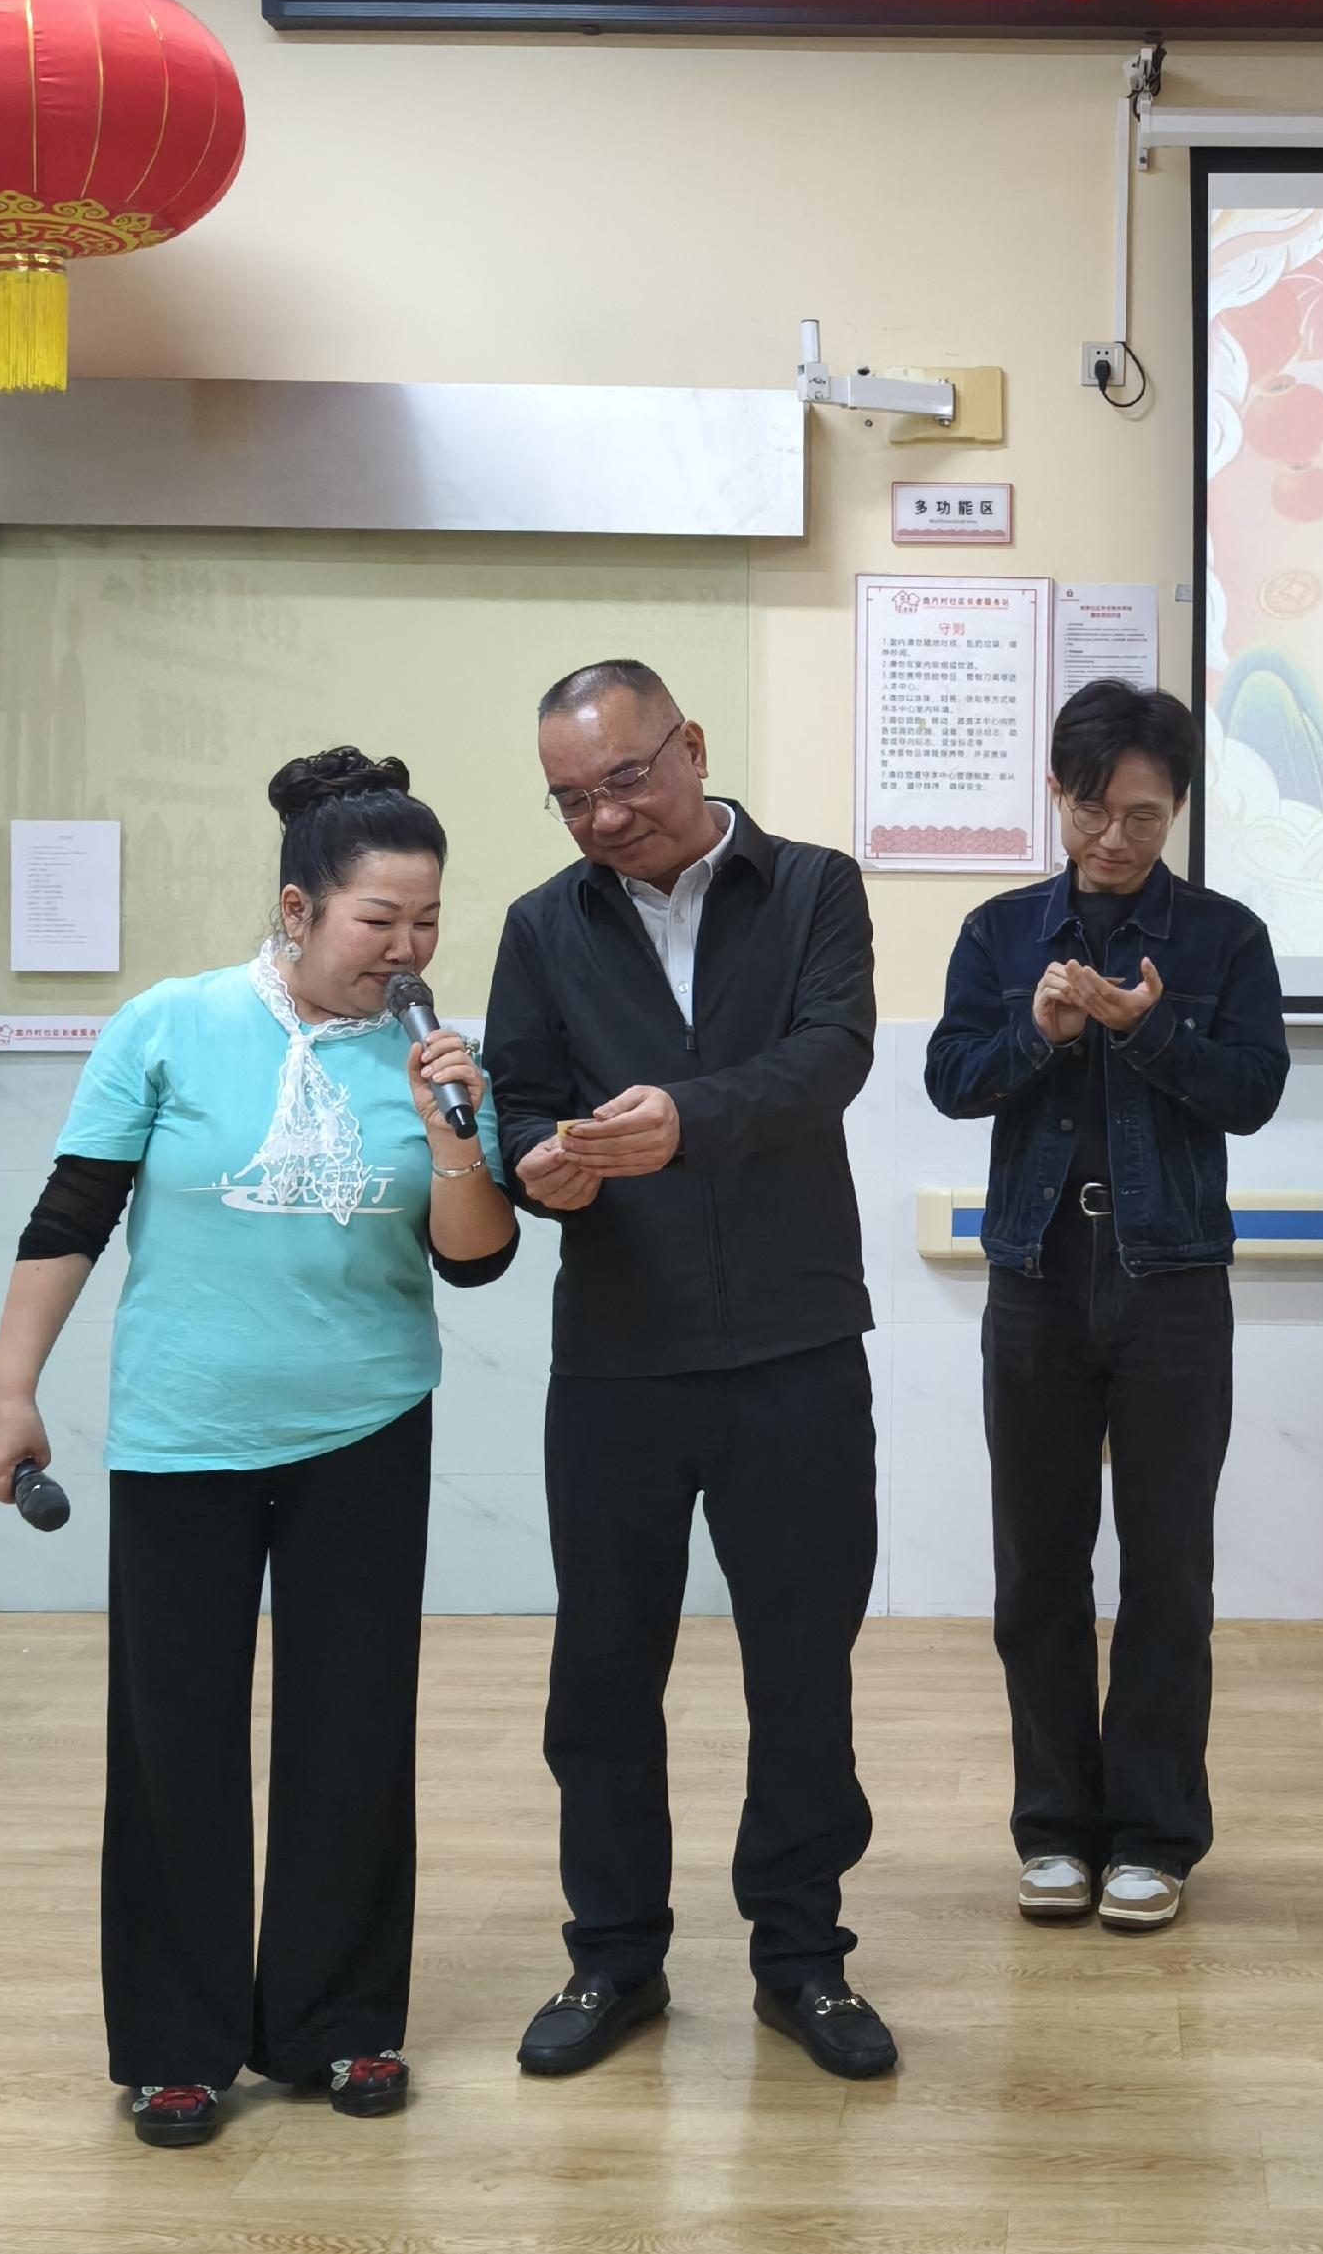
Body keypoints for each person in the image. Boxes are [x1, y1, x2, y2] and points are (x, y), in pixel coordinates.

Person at [0, 749, 517, 2149]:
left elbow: (475, 1259)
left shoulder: (439, 1061)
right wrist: (13, 1389)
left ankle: (340, 2020)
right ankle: (177, 2042)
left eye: (427, 921)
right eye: (377, 920)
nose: (406, 949)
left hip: (366, 1427)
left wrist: (455, 1131)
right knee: (176, 1737)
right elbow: (72, 1213)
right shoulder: (170, 1024)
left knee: (353, 1726)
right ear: (297, 908)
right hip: (186, 1432)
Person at [480, 660, 895, 2082]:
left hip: (795, 1344)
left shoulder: (814, 888)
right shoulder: (543, 925)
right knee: (602, 1674)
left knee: (802, 1666)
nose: (604, 817)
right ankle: (613, 1955)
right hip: (617, 1358)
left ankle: (802, 1956)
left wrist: (687, 1122)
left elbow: (830, 1057)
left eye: (626, 779)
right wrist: (537, 1166)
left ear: (691, 747)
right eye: (571, 798)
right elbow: (521, 1104)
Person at [922, 682, 1290, 1935]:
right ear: (1056, 795)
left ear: (1177, 808)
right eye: (1092, 810)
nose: (1115, 837)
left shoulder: (1224, 938)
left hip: (1171, 1283)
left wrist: (1146, 1032)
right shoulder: (996, 932)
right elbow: (949, 1078)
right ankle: (1051, 1830)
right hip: (1034, 1278)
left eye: (1144, 815)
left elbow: (1253, 1093)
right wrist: (1036, 1031)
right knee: (1036, 1565)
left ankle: (1152, 1837)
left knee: (1168, 1569)